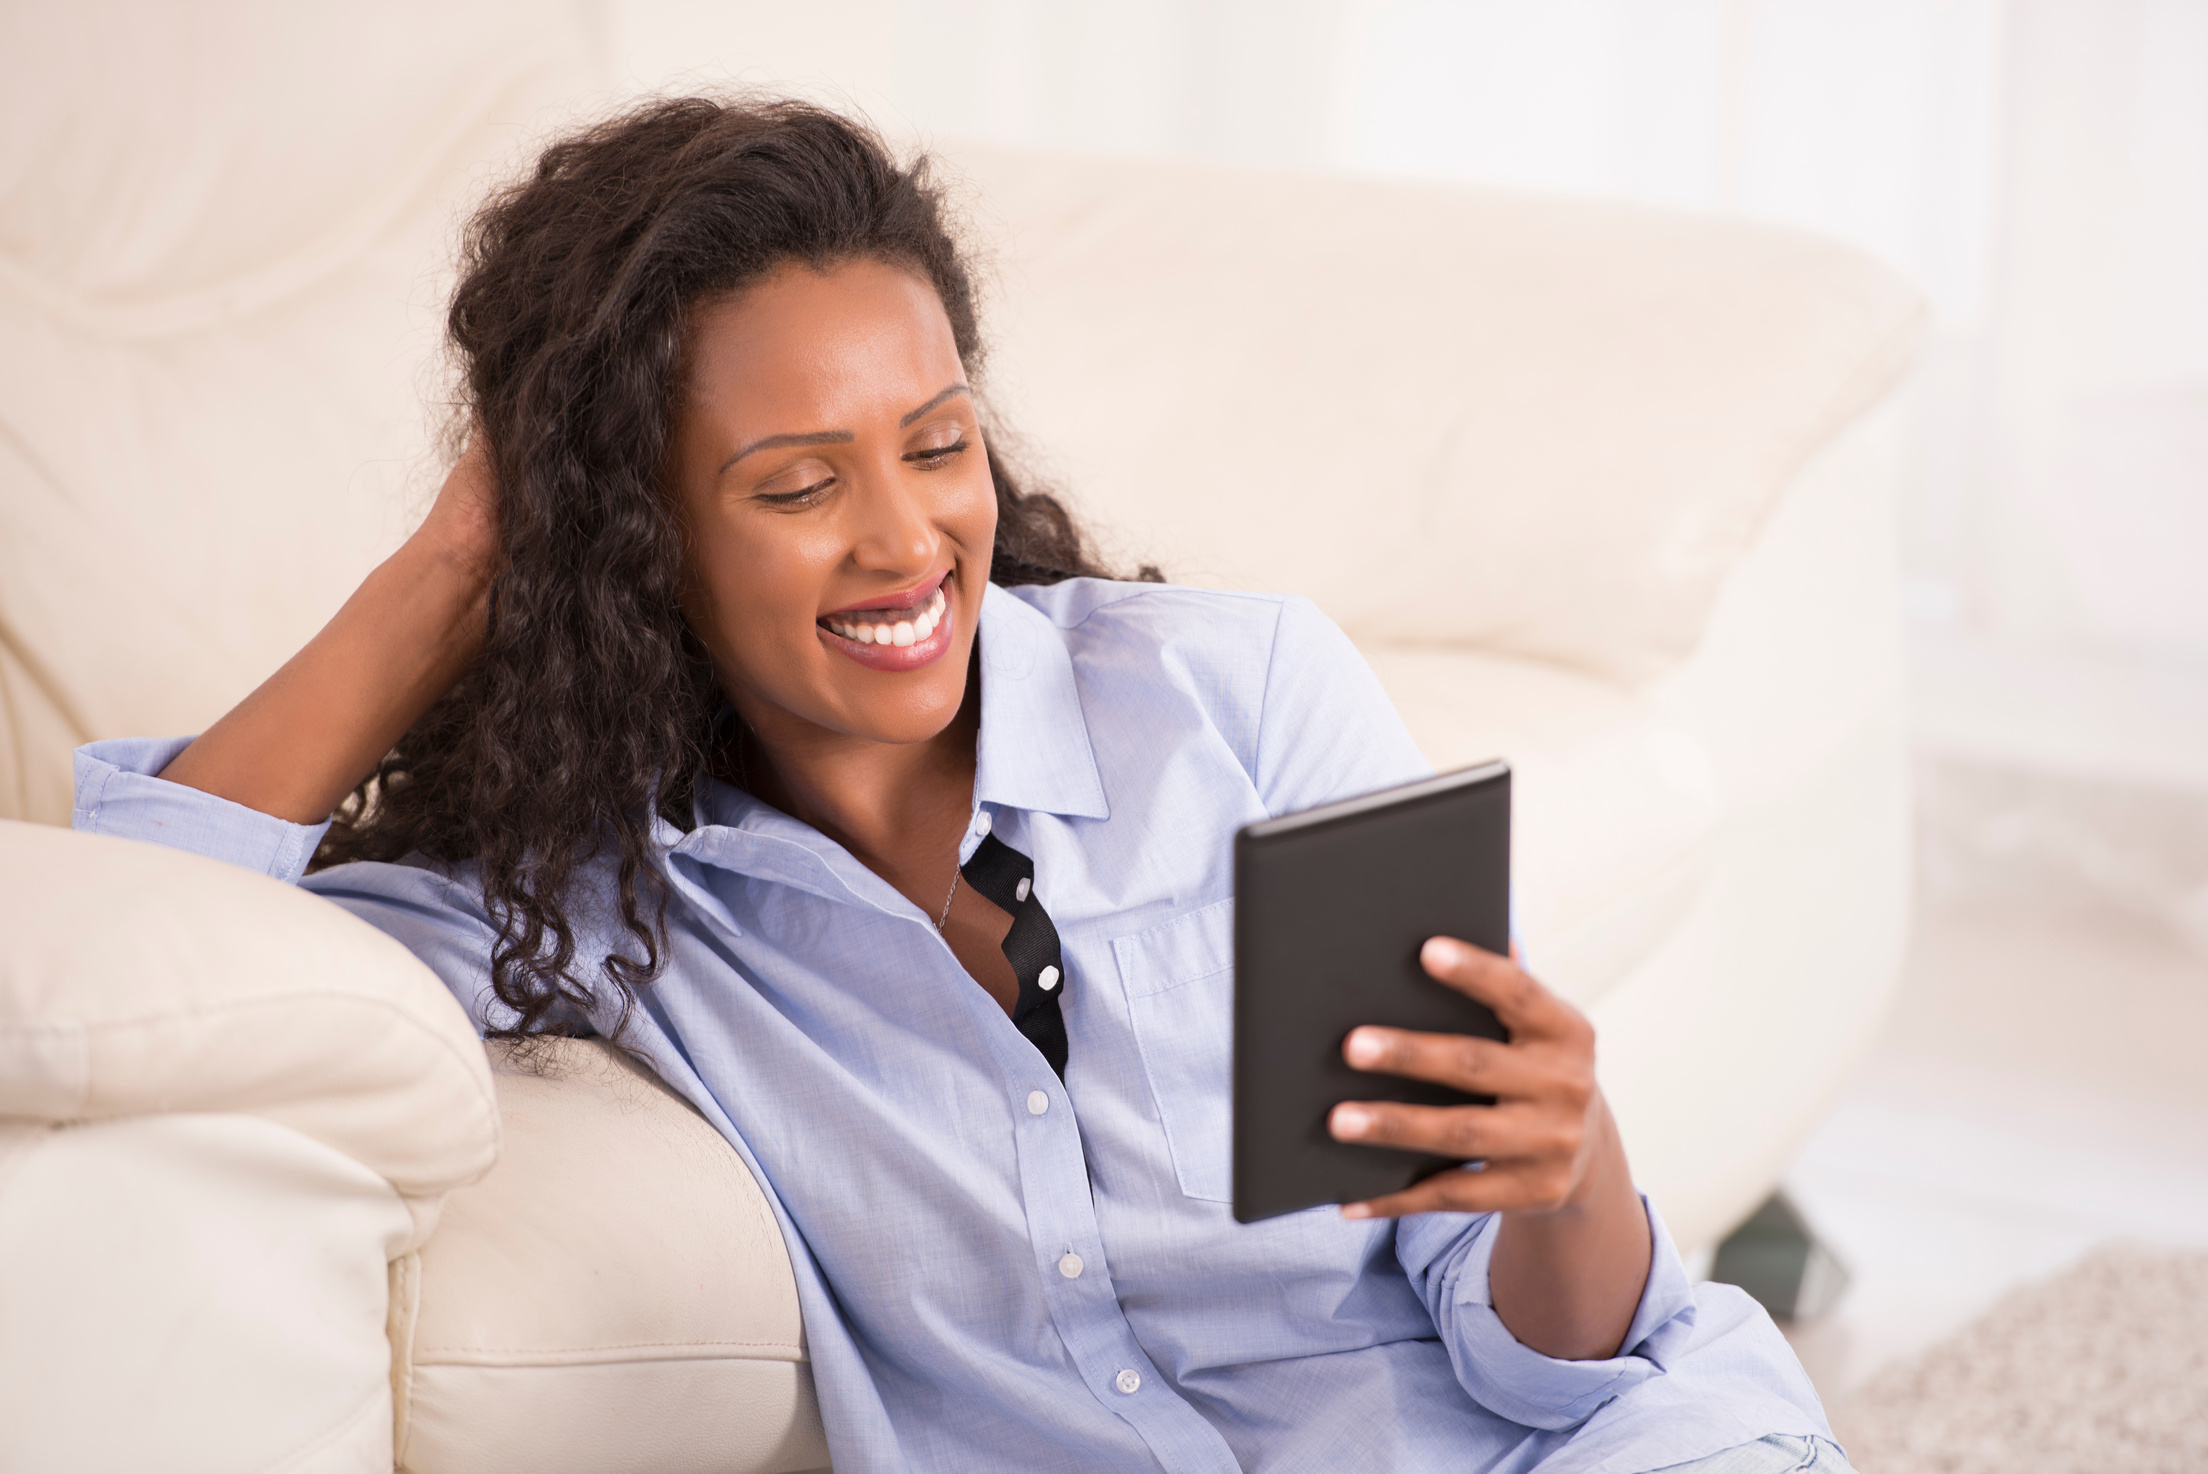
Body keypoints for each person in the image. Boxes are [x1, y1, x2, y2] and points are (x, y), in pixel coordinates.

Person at [73, 97, 1847, 1473]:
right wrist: (460, 560)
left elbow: (1541, 1355)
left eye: (937, 441)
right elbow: (144, 950)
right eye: (794, 484)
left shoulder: (1239, 703)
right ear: (631, 535)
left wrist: (1564, 1161)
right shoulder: (606, 899)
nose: (908, 533)